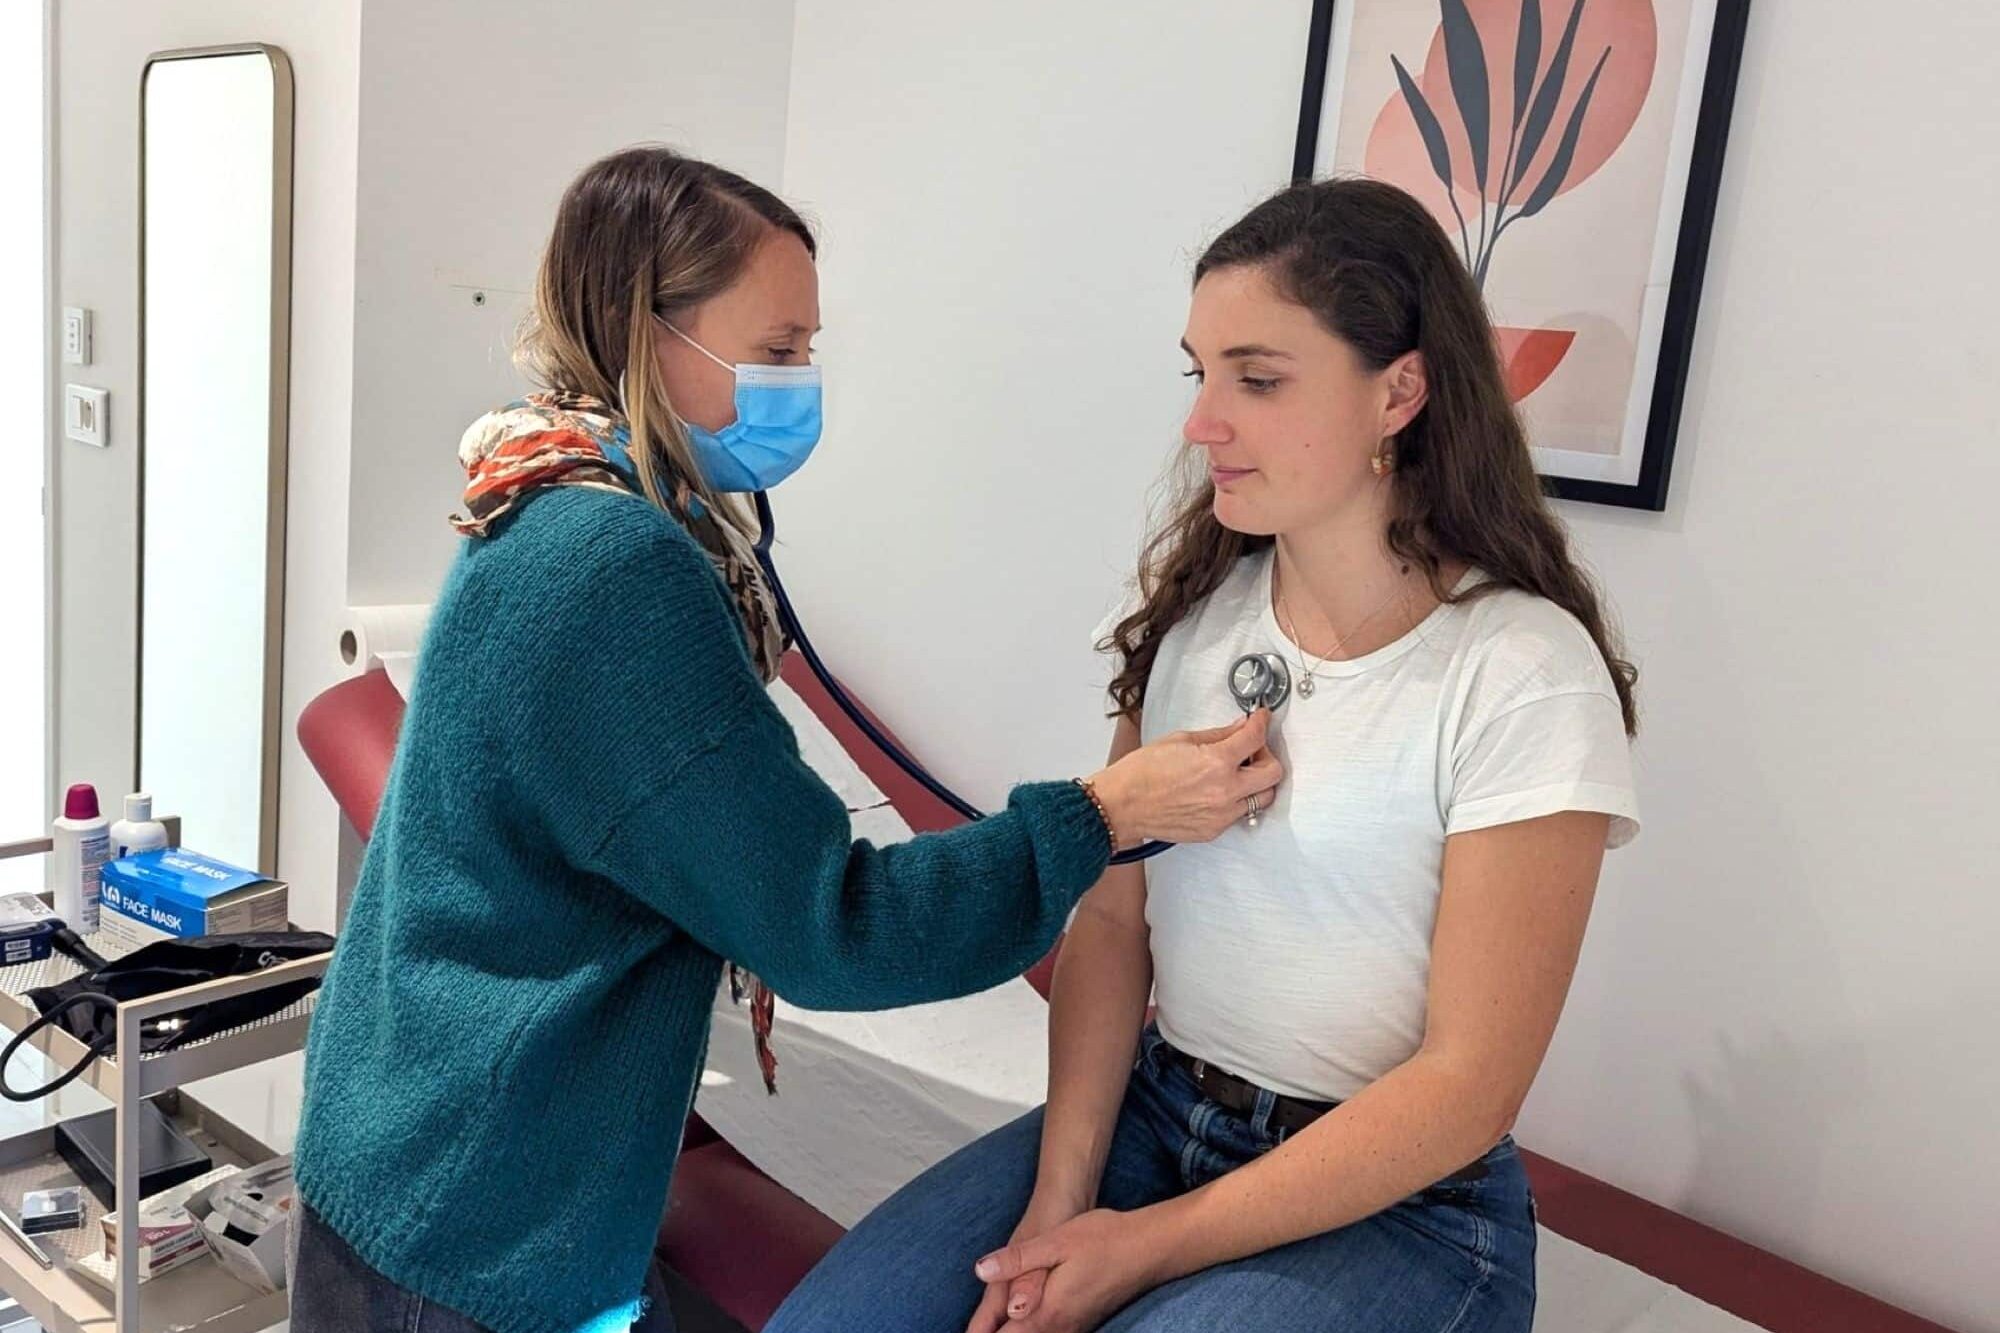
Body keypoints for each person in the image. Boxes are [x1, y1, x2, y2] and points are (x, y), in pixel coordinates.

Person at [286, 145, 1282, 1333]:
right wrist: (1103, 811)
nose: (801, 383)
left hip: (404, 1139)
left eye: (808, 349)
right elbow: (830, 926)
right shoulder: (612, 567)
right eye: (775, 352)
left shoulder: (541, 486)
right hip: (479, 1213)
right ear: (644, 331)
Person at [767, 176, 1642, 1333]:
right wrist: (1057, 1203)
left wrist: (1139, 1250)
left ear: (1401, 391)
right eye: (1200, 372)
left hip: (1397, 1205)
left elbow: (1463, 1087)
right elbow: (1116, 925)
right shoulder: (1189, 614)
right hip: (1150, 1113)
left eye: (1258, 378)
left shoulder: (1518, 672)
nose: (1200, 421)